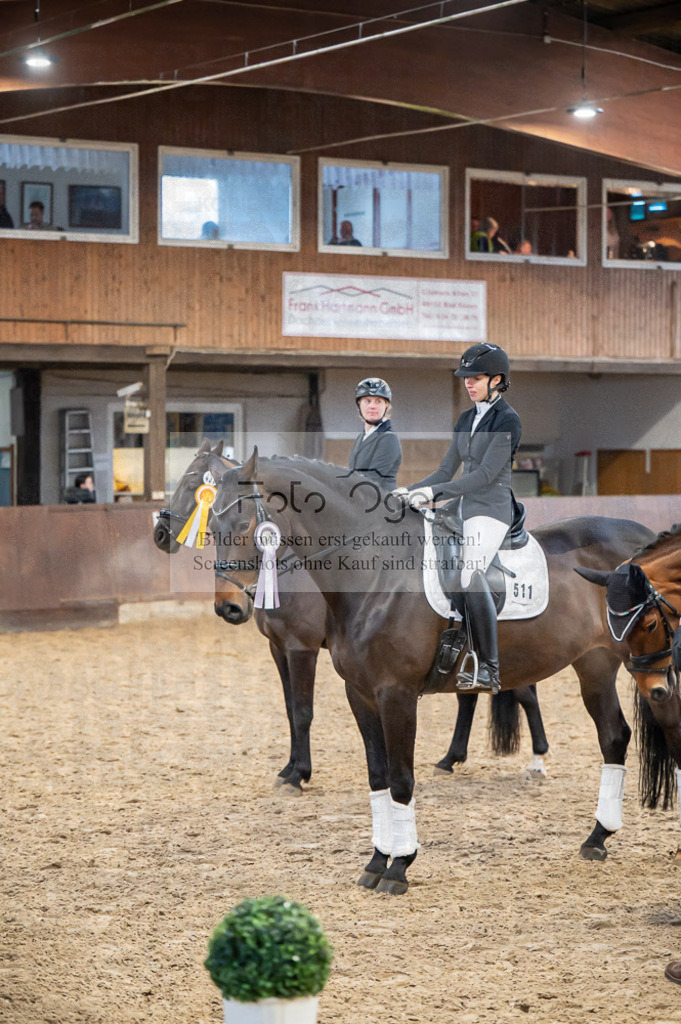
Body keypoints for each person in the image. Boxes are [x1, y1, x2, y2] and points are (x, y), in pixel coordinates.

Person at [394, 343, 521, 694]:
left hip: (490, 511)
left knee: (470, 570)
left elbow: (483, 477)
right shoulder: (466, 418)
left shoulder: (508, 420)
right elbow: (446, 468)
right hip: (461, 508)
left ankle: (490, 668)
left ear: (496, 380)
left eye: (476, 378)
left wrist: (435, 495)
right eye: (466, 378)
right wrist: (409, 490)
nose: (468, 383)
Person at [348, 378, 401, 491]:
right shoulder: (361, 437)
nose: (372, 406)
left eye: (378, 401)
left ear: (386, 405)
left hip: (381, 503)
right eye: (367, 401)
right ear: (359, 404)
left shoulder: (388, 438)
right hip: (359, 500)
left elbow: (372, 479)